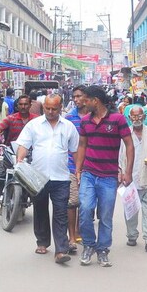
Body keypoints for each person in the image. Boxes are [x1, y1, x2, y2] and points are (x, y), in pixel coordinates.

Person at [75, 85, 134, 267]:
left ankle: (103, 249)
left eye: (86, 100)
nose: (83, 104)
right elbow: (82, 145)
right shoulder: (85, 121)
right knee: (85, 210)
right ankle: (88, 245)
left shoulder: (118, 120)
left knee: (106, 216)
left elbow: (129, 145)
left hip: (109, 176)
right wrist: (78, 170)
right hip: (89, 174)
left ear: (96, 101)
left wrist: (128, 172)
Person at [15, 94, 79, 263]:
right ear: (43, 107)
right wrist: (20, 160)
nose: (50, 112)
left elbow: (75, 150)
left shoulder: (69, 127)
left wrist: (78, 171)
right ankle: (42, 242)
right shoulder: (33, 125)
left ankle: (61, 250)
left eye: (54, 109)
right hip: (38, 177)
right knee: (40, 209)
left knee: (60, 212)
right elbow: (23, 145)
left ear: (61, 108)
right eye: (47, 108)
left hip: (62, 177)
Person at [0, 95, 38, 220]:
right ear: (17, 106)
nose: (23, 107)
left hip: (30, 156)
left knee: (36, 182)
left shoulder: (36, 121)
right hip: (11, 154)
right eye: (21, 104)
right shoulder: (11, 119)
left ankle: (38, 208)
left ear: (30, 105)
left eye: (26, 104)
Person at [120, 105, 147, 252]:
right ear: (130, 118)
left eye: (139, 116)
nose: (136, 119)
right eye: (134, 117)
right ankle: (132, 236)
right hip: (131, 179)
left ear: (144, 117)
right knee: (130, 210)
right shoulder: (125, 135)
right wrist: (122, 173)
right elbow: (120, 157)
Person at [65, 86, 86, 252]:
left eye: (79, 96)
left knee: (86, 203)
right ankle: (72, 236)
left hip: (91, 166)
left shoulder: (94, 117)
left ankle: (80, 229)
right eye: (75, 97)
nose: (76, 99)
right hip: (71, 166)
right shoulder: (69, 118)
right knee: (72, 202)